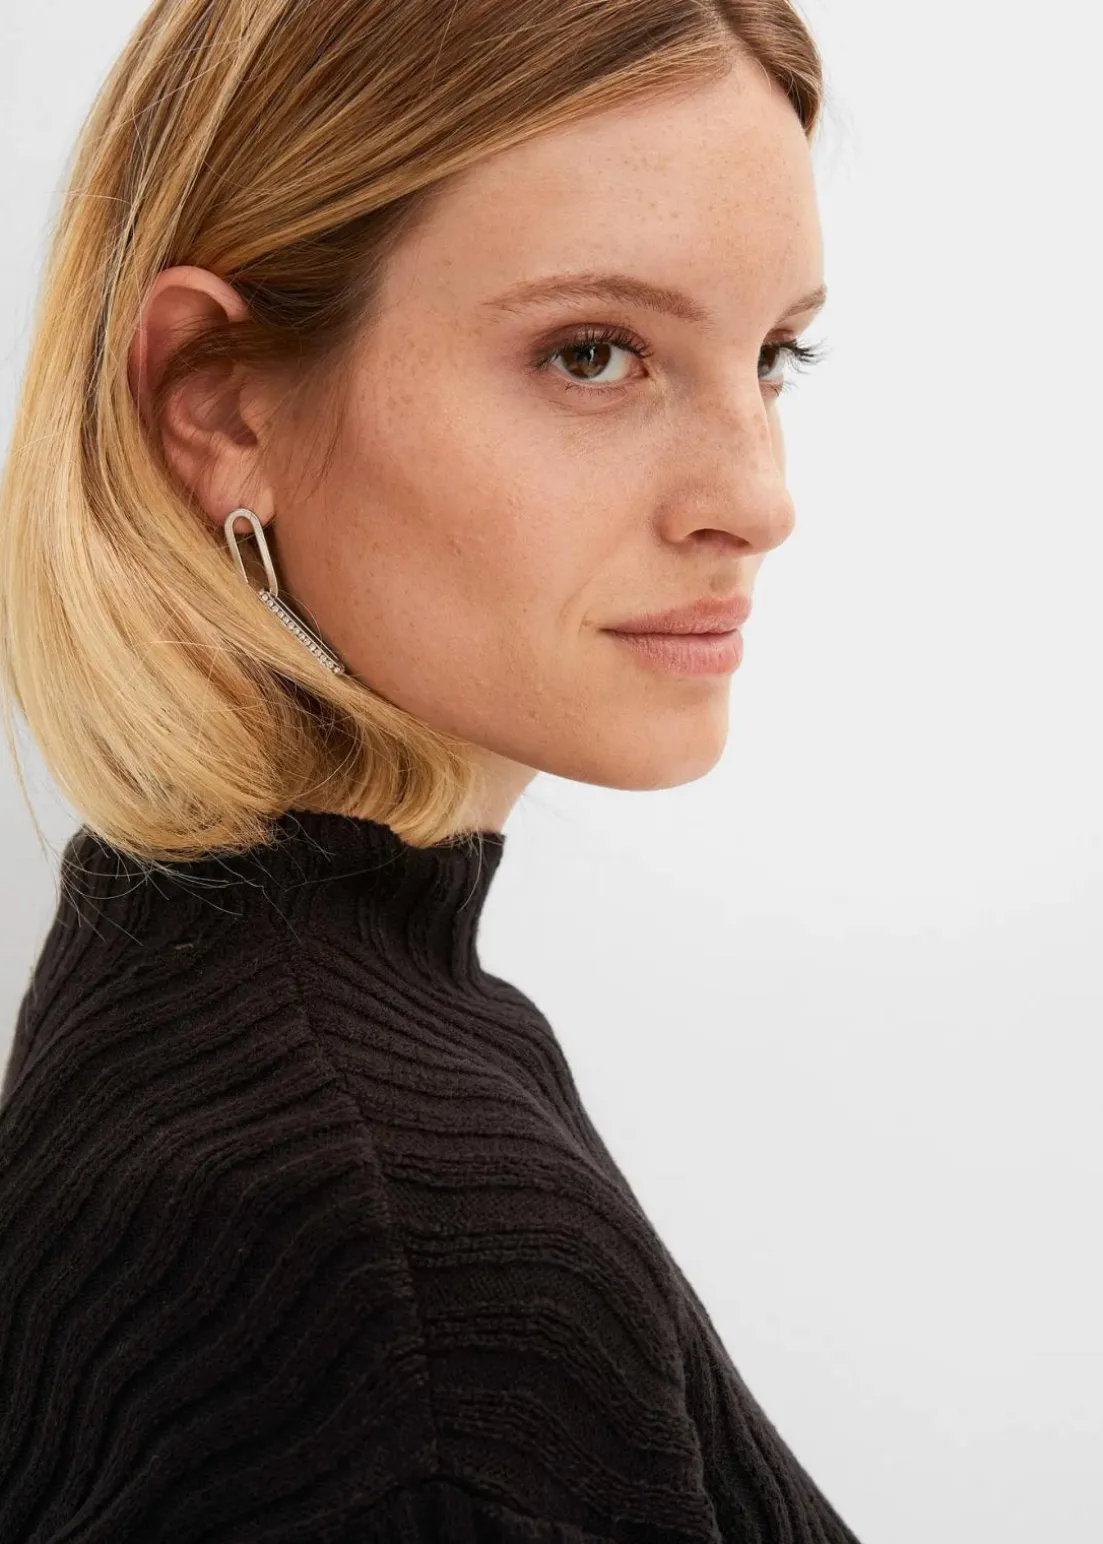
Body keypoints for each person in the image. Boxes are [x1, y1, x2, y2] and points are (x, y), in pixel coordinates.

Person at [0, 0, 854, 1538]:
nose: (756, 496)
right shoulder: (389, 1260)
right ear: (217, 398)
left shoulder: (201, 965)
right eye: (592, 353)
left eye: (773, 353)